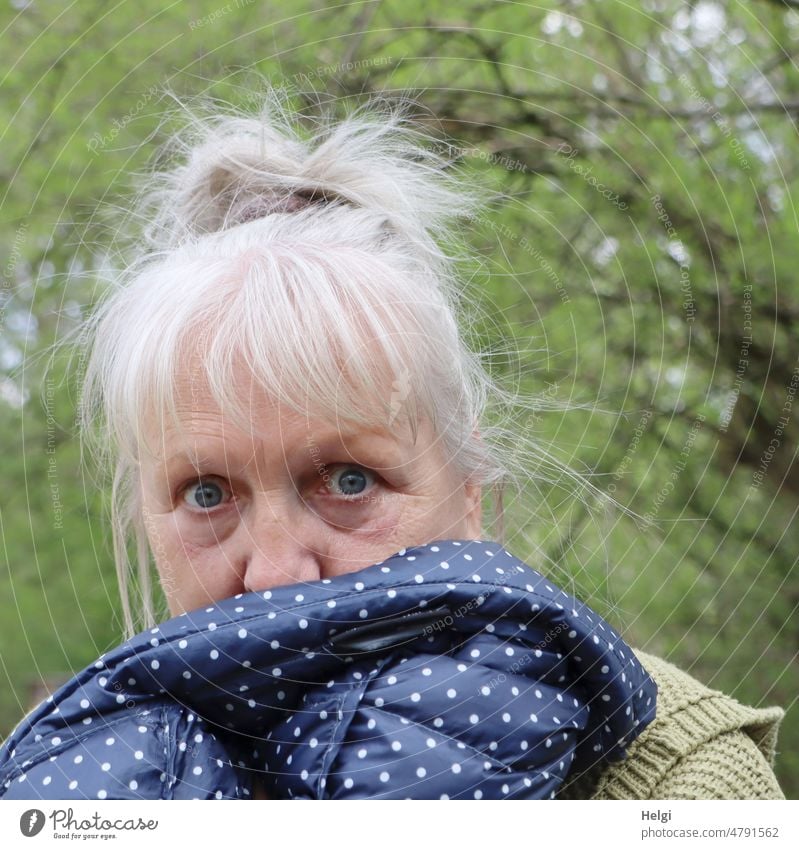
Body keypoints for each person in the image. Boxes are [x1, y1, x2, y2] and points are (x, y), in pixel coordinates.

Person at [0, 87, 785, 800]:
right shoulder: (82, 780)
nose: (276, 573)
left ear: (469, 488)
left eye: (347, 480)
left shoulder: (673, 780)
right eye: (206, 493)